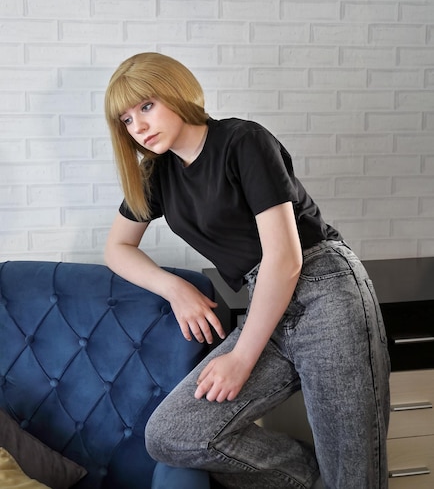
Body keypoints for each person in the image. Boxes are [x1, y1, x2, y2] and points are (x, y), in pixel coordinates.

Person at [104, 52, 390, 489]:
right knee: (172, 435)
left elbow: (285, 258)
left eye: (146, 106)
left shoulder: (242, 141)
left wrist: (241, 357)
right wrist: (174, 288)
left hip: (324, 291)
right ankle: (315, 481)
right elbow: (118, 247)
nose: (138, 126)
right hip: (264, 303)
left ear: (177, 91)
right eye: (126, 119)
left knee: (354, 471)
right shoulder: (156, 175)